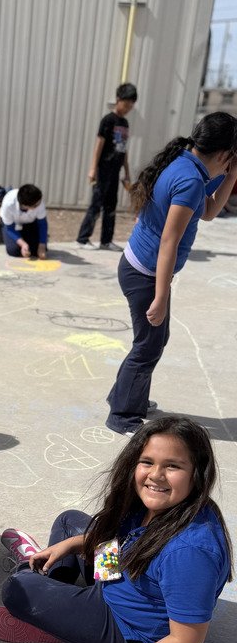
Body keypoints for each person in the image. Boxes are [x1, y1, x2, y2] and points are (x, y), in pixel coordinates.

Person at [0, 416, 232, 643]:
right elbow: (119, 538)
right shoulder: (155, 505)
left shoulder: (190, 551)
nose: (156, 475)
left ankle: (51, 610)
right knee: (70, 522)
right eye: (147, 462)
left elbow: (186, 640)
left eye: (173, 466)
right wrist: (70, 545)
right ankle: (56, 602)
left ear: (198, 474)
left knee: (17, 587)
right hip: (118, 578)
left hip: (128, 631)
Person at [106, 111, 237, 434]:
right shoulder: (191, 180)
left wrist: (231, 177)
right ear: (223, 154)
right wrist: (162, 296)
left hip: (140, 266)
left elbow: (207, 213)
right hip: (145, 274)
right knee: (148, 346)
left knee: (154, 340)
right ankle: (122, 416)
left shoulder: (184, 162)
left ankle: (126, 396)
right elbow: (169, 241)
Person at [76, 82, 138, 250]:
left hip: (115, 171)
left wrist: (126, 171)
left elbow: (123, 149)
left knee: (111, 205)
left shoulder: (124, 123)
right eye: (126, 104)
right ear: (118, 100)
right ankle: (82, 239)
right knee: (96, 204)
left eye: (131, 106)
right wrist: (92, 169)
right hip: (102, 170)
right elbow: (99, 144)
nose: (127, 108)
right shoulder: (108, 120)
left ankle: (106, 240)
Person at [0, 184, 48, 258]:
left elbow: (42, 224)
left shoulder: (38, 201)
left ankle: (25, 237)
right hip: (11, 224)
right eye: (35, 205)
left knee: (35, 250)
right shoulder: (8, 203)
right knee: (13, 250)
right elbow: (10, 228)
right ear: (25, 206)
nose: (39, 204)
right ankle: (23, 238)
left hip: (30, 222)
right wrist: (23, 244)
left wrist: (42, 244)